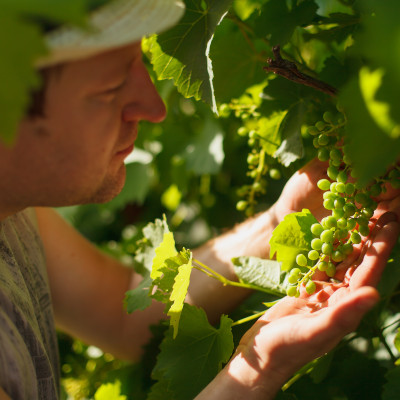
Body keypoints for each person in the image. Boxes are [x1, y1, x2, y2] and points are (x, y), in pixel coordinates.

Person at [0, 0, 399, 399]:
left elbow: (125, 320)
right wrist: (256, 374)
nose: (155, 108)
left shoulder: (15, 216)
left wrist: (281, 219)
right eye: (109, 89)